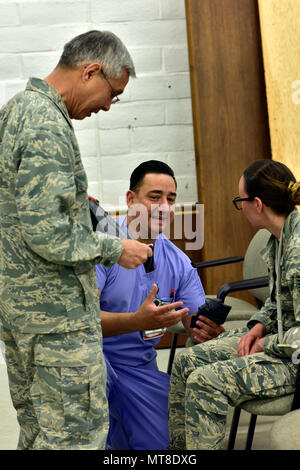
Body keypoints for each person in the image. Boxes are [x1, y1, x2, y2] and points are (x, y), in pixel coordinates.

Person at [0, 30, 153, 450]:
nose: (107, 105)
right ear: (91, 71)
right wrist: (115, 247)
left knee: (39, 435)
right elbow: (48, 233)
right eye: (112, 93)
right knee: (74, 437)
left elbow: (20, 209)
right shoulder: (47, 124)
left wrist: (68, 203)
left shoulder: (16, 111)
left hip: (25, 316)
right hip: (58, 322)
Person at [168, 159, 300, 450]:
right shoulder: (280, 239)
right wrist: (256, 328)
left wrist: (266, 344)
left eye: (240, 201)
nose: (240, 208)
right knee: (185, 362)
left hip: (293, 361)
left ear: (257, 203)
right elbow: (279, 302)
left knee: (204, 381)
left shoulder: (297, 252)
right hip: (278, 342)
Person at [94, 160, 224, 450]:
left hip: (139, 369)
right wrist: (137, 322)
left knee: (170, 443)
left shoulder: (178, 261)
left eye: (171, 199)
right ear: (131, 200)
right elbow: (80, 323)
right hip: (93, 361)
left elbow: (195, 320)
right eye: (154, 197)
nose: (164, 206)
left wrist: (204, 330)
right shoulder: (101, 249)